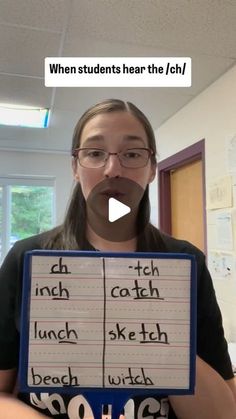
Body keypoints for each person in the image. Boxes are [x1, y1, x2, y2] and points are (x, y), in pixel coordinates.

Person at [0, 98, 235, 419]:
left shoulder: (187, 262)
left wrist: (159, 337)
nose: (113, 169)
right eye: (95, 153)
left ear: (152, 168)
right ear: (74, 166)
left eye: (132, 154)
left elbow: (223, 412)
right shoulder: (24, 259)